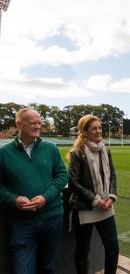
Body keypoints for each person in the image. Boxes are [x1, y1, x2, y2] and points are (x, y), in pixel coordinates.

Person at [0, 108, 68, 274]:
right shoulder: (4, 153)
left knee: (49, 268)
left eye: (40, 123)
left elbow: (62, 176)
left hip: (53, 218)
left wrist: (46, 197)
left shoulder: (50, 149)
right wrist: (14, 199)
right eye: (33, 123)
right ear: (19, 124)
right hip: (21, 223)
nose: (38, 126)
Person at [68, 114, 119, 274]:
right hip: (86, 208)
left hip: (106, 206)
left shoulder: (106, 150)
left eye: (100, 127)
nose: (98, 131)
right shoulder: (77, 153)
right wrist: (96, 200)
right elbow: (73, 182)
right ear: (84, 131)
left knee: (113, 248)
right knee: (83, 251)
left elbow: (112, 175)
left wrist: (111, 197)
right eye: (94, 128)